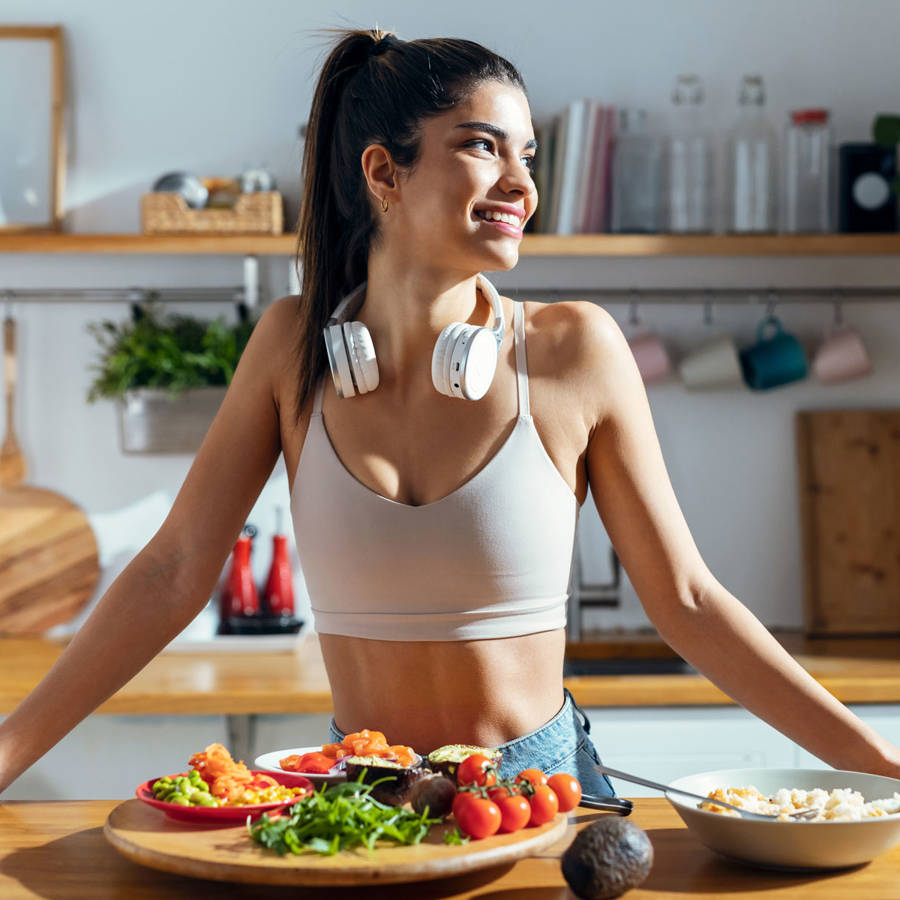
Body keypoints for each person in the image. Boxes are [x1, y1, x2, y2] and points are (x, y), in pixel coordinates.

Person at [1, 27, 898, 799]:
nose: (522, 184)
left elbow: (690, 601)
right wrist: (6, 752)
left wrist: (879, 769)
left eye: (529, 156)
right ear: (384, 172)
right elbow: (171, 571)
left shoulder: (573, 349)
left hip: (532, 793)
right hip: (359, 796)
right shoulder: (292, 347)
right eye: (483, 146)